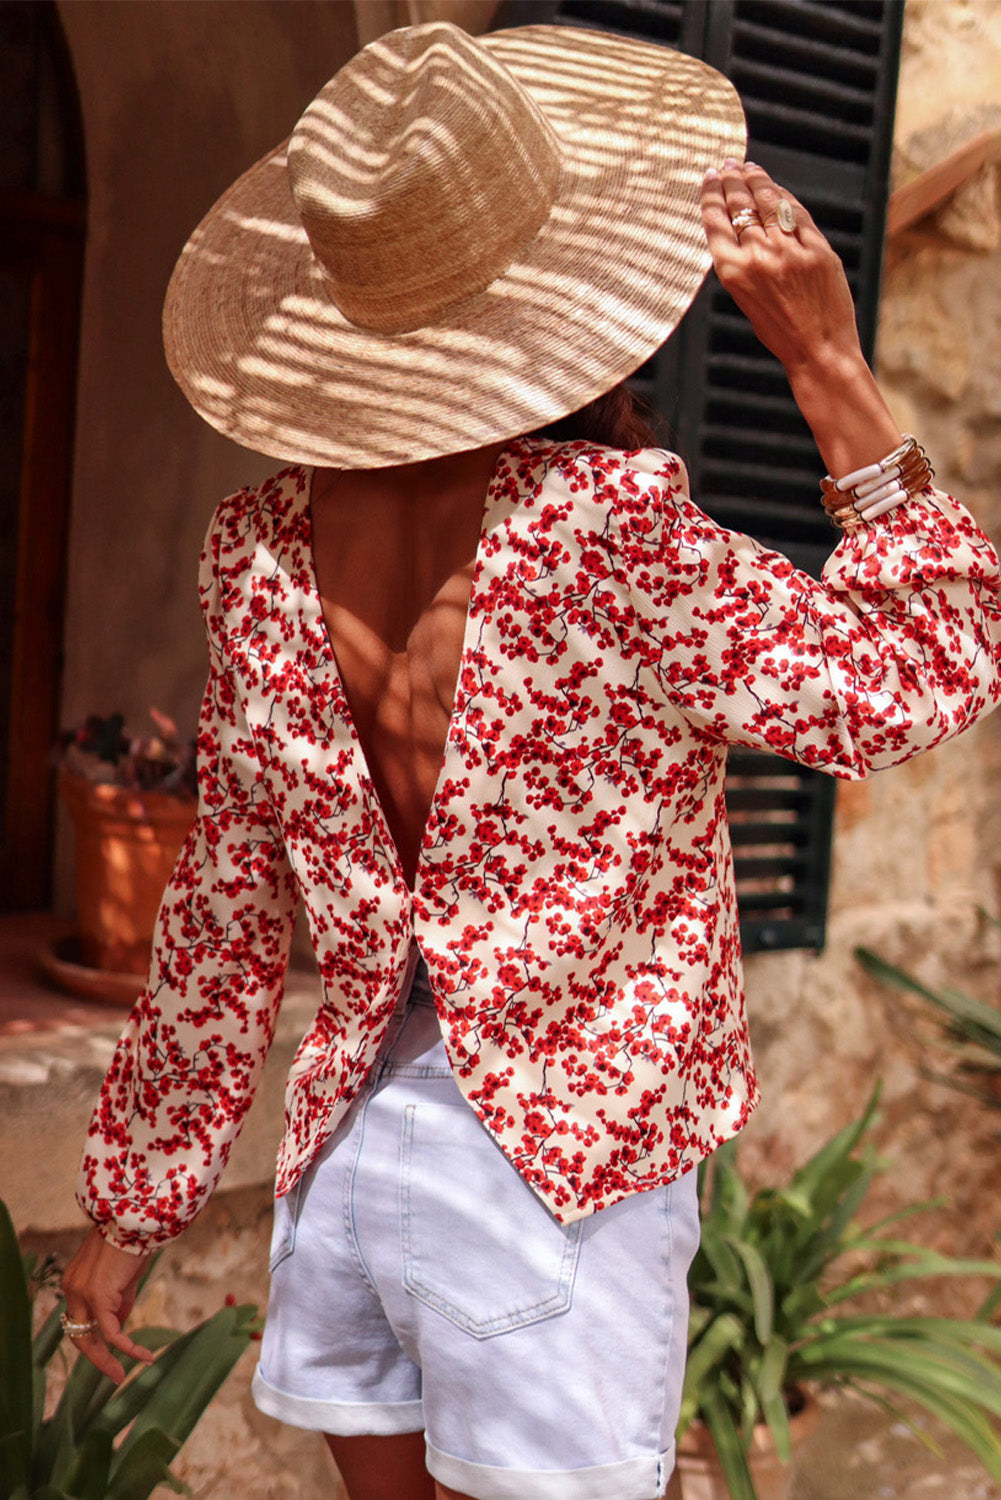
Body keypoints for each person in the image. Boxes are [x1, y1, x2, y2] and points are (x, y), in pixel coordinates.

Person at [62, 21, 1001, 1500]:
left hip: (354, 1166)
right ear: (550, 289)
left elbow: (225, 917)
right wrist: (827, 362)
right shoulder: (602, 534)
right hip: (549, 1197)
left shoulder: (256, 549)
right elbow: (918, 679)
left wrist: (135, 1203)